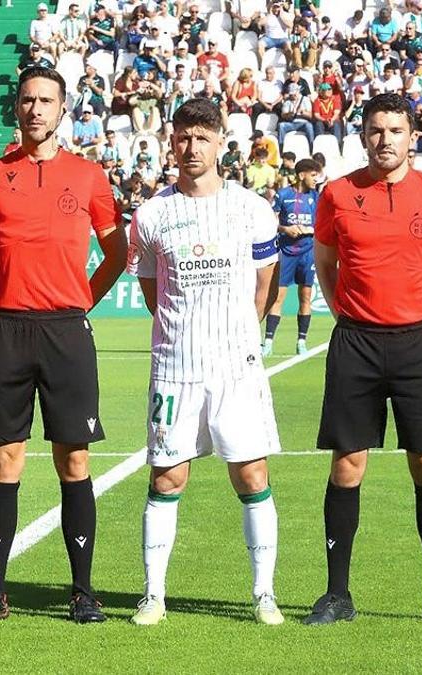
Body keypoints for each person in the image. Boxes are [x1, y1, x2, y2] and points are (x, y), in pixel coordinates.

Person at [305, 93, 422, 626]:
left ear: (412, 136)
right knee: (348, 464)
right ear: (363, 137)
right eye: (376, 131)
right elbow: (325, 263)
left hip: (417, 345)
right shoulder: (337, 193)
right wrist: (342, 313)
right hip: (355, 344)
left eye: (396, 130)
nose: (386, 140)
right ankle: (337, 595)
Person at [0, 66, 125, 625]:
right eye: (27, 100)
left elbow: (117, 254)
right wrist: (2, 293)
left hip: (66, 332)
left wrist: (80, 302)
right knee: (6, 459)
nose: (36, 109)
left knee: (73, 458)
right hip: (7, 330)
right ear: (17, 108)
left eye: (46, 101)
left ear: (63, 108)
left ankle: (83, 591)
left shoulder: (88, 176)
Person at [126, 97, 285, 627]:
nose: (191, 147)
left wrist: (239, 333)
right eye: (182, 137)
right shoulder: (151, 215)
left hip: (235, 368)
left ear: (221, 143)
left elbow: (265, 283)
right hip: (175, 367)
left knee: (251, 473)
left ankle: (264, 594)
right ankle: (154, 594)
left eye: (201, 137)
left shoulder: (252, 209)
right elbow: (153, 291)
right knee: (167, 478)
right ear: (172, 142)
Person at [263, 158, 319, 357]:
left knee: (305, 297)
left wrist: (308, 229)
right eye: (313, 175)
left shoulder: (316, 197)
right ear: (302, 175)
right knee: (278, 298)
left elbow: (322, 225)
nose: (316, 179)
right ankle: (268, 342)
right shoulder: (283, 195)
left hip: (307, 253)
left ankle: (301, 341)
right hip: (286, 252)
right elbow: (269, 221)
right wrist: (286, 228)